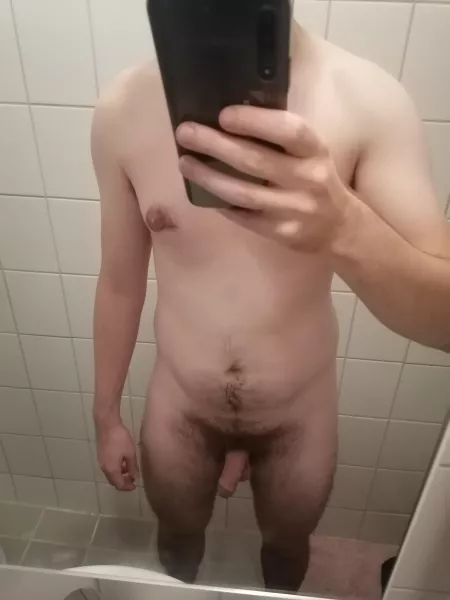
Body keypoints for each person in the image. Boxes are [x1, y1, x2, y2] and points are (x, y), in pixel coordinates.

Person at [92, 19, 450, 591]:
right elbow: (118, 283)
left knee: (286, 551)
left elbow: (444, 320)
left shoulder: (368, 102)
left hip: (297, 413)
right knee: (177, 542)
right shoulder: (122, 110)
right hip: (180, 404)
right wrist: (106, 416)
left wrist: (343, 225)